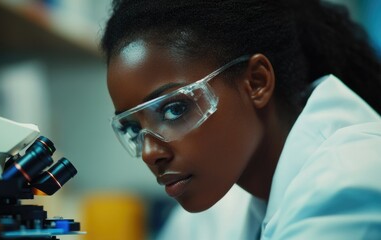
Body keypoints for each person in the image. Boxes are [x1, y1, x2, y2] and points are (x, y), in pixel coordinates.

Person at [101, 0, 381, 239]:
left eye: (174, 109)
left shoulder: (345, 180)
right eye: (134, 128)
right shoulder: (227, 198)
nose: (150, 154)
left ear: (256, 82)